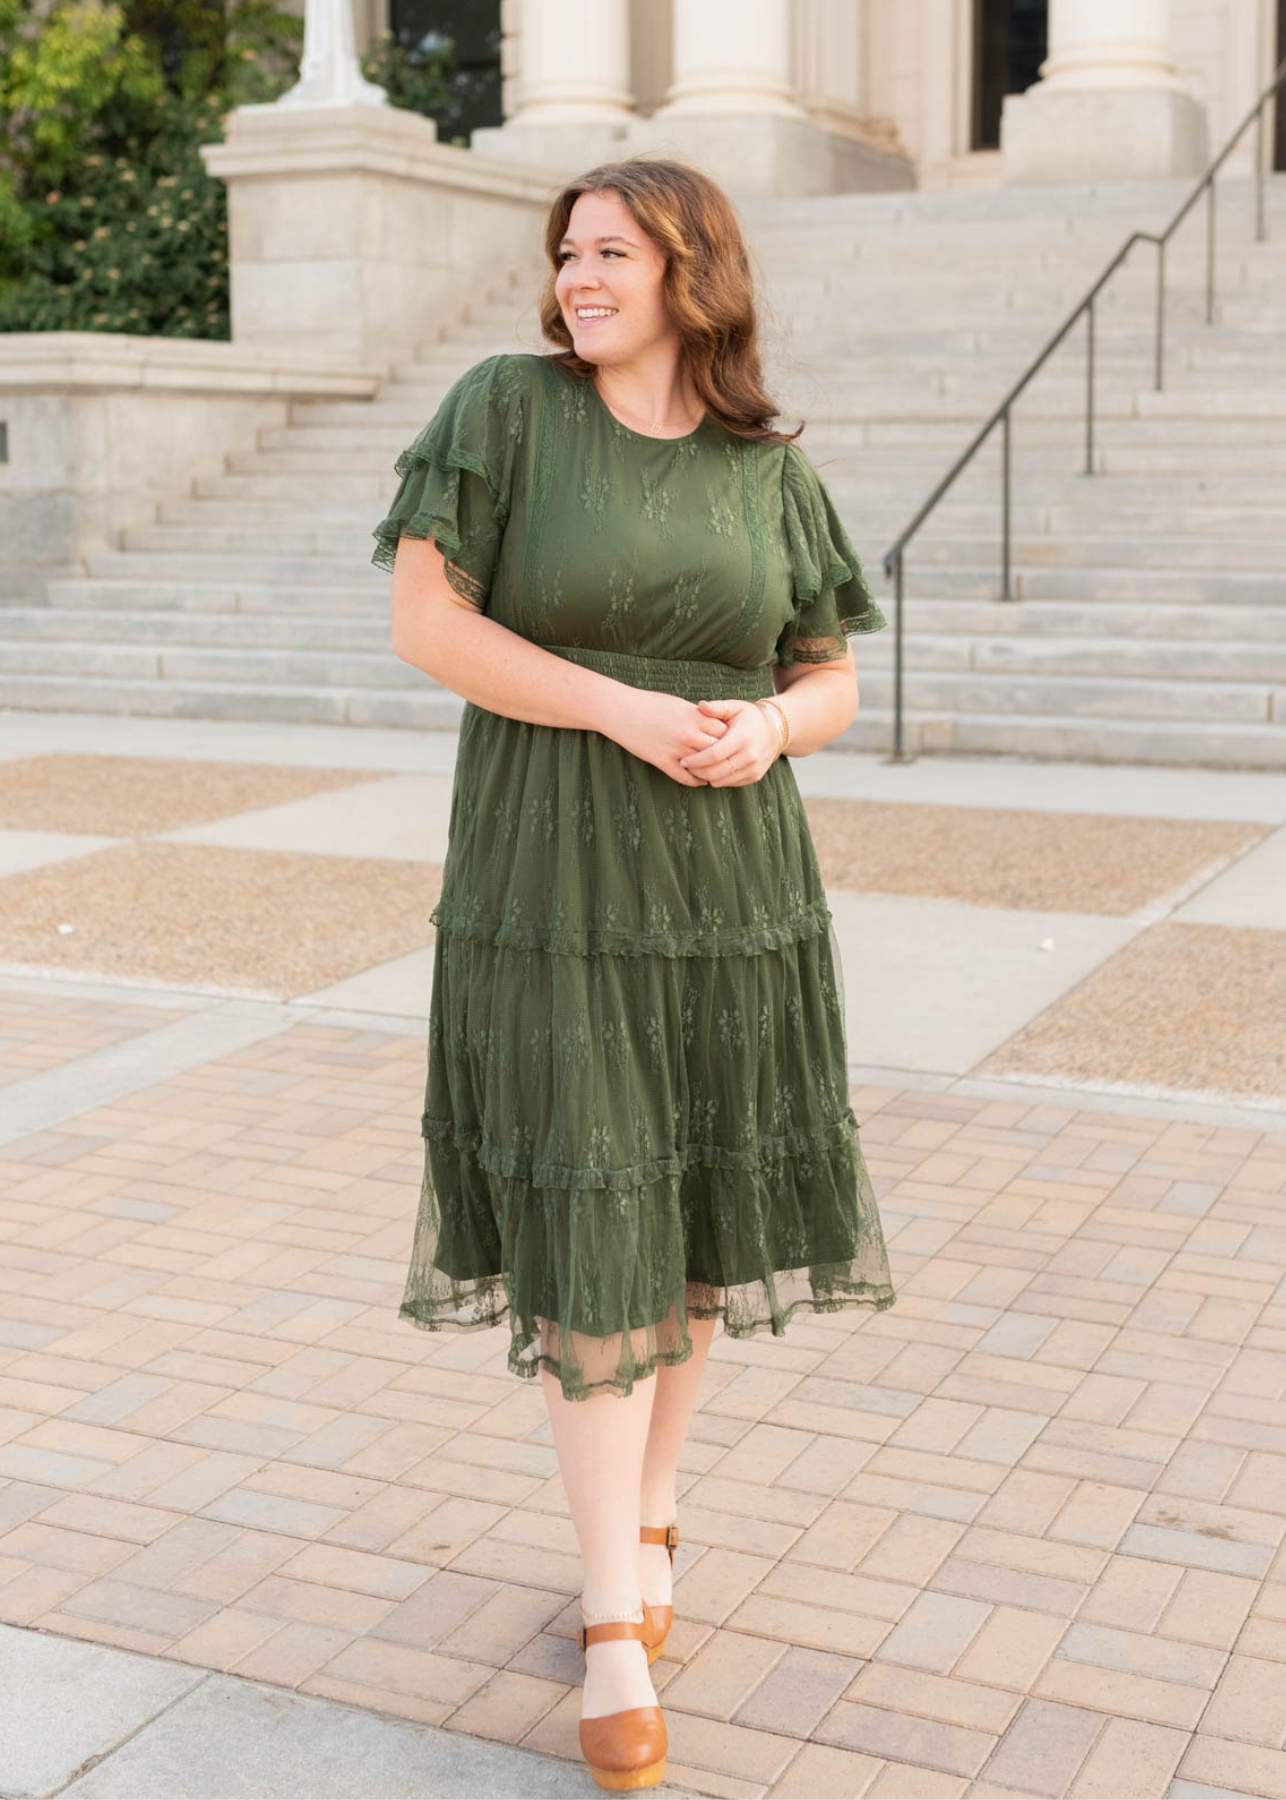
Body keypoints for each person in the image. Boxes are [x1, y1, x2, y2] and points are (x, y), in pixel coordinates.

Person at [372, 156, 897, 1793]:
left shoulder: (762, 465)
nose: (578, 274)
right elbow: (427, 628)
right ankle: (612, 1614)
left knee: (694, 1205)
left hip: (731, 886)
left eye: (612, 250)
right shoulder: (506, 409)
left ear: (692, 267)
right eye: (567, 251)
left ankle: (654, 1512)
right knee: (596, 1213)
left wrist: (767, 724)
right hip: (552, 875)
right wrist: (614, 705)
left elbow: (831, 675)